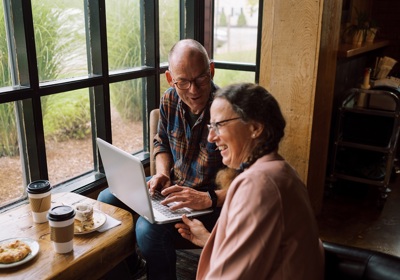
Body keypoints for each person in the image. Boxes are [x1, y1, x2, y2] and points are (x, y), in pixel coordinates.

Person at [98, 39, 225, 279]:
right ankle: (132, 266)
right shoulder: (169, 99)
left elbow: (247, 181)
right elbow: (162, 142)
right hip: (176, 187)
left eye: (200, 79)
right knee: (107, 198)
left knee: (148, 230)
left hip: (212, 203)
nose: (194, 90)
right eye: (183, 82)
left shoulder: (228, 110)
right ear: (170, 79)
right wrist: (163, 174)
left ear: (211, 70)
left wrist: (208, 198)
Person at [175, 83, 325, 280]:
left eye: (219, 125)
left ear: (254, 128)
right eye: (211, 127)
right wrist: (210, 239)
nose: (211, 138)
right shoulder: (280, 170)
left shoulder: (259, 184)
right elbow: (269, 248)